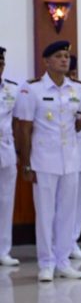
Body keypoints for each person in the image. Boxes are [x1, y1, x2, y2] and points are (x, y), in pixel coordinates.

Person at [14, 40, 81, 282]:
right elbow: (24, 129)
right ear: (46, 61)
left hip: (71, 160)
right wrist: (25, 163)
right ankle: (46, 263)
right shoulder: (32, 90)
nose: (64, 60)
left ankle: (63, 261)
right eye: (58, 56)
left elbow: (77, 123)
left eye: (66, 56)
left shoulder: (76, 89)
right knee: (45, 214)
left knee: (67, 213)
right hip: (44, 160)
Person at [66, 54, 81, 261]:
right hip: (66, 154)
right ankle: (68, 243)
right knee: (67, 202)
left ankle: (73, 240)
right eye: (70, 73)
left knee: (79, 201)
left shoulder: (80, 90)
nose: (73, 77)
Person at [0, 47, 20, 266]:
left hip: (6, 148)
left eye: (2, 63)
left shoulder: (11, 89)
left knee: (6, 201)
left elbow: (18, 120)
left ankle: (3, 250)